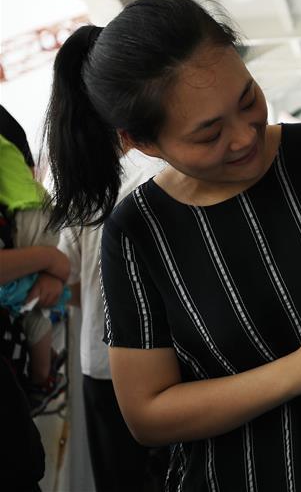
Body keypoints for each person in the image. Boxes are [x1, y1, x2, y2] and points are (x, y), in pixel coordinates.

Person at [43, 0, 301, 491]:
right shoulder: (139, 232)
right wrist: (299, 371)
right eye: (208, 134)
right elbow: (148, 414)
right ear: (140, 143)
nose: (245, 136)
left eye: (248, 99)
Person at [58, 146, 167, 492]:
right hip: (170, 353)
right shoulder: (168, 168)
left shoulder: (82, 186)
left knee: (118, 477)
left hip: (102, 358)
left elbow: (67, 276)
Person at [0, 128, 70, 413]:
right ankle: (46, 369)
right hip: (34, 209)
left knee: (25, 302)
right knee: (29, 301)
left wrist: (49, 261)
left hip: (26, 214)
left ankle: (43, 378)